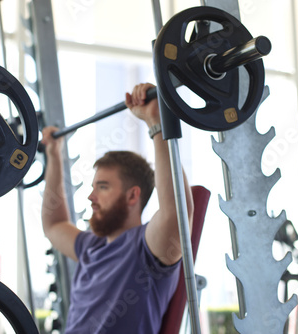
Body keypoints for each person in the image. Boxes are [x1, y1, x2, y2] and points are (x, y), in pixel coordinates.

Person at [41, 83, 194, 334]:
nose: (91, 197)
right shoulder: (91, 247)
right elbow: (54, 224)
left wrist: (156, 123)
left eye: (102, 187)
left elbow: (176, 215)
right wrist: (54, 155)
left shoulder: (146, 249)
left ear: (132, 195)